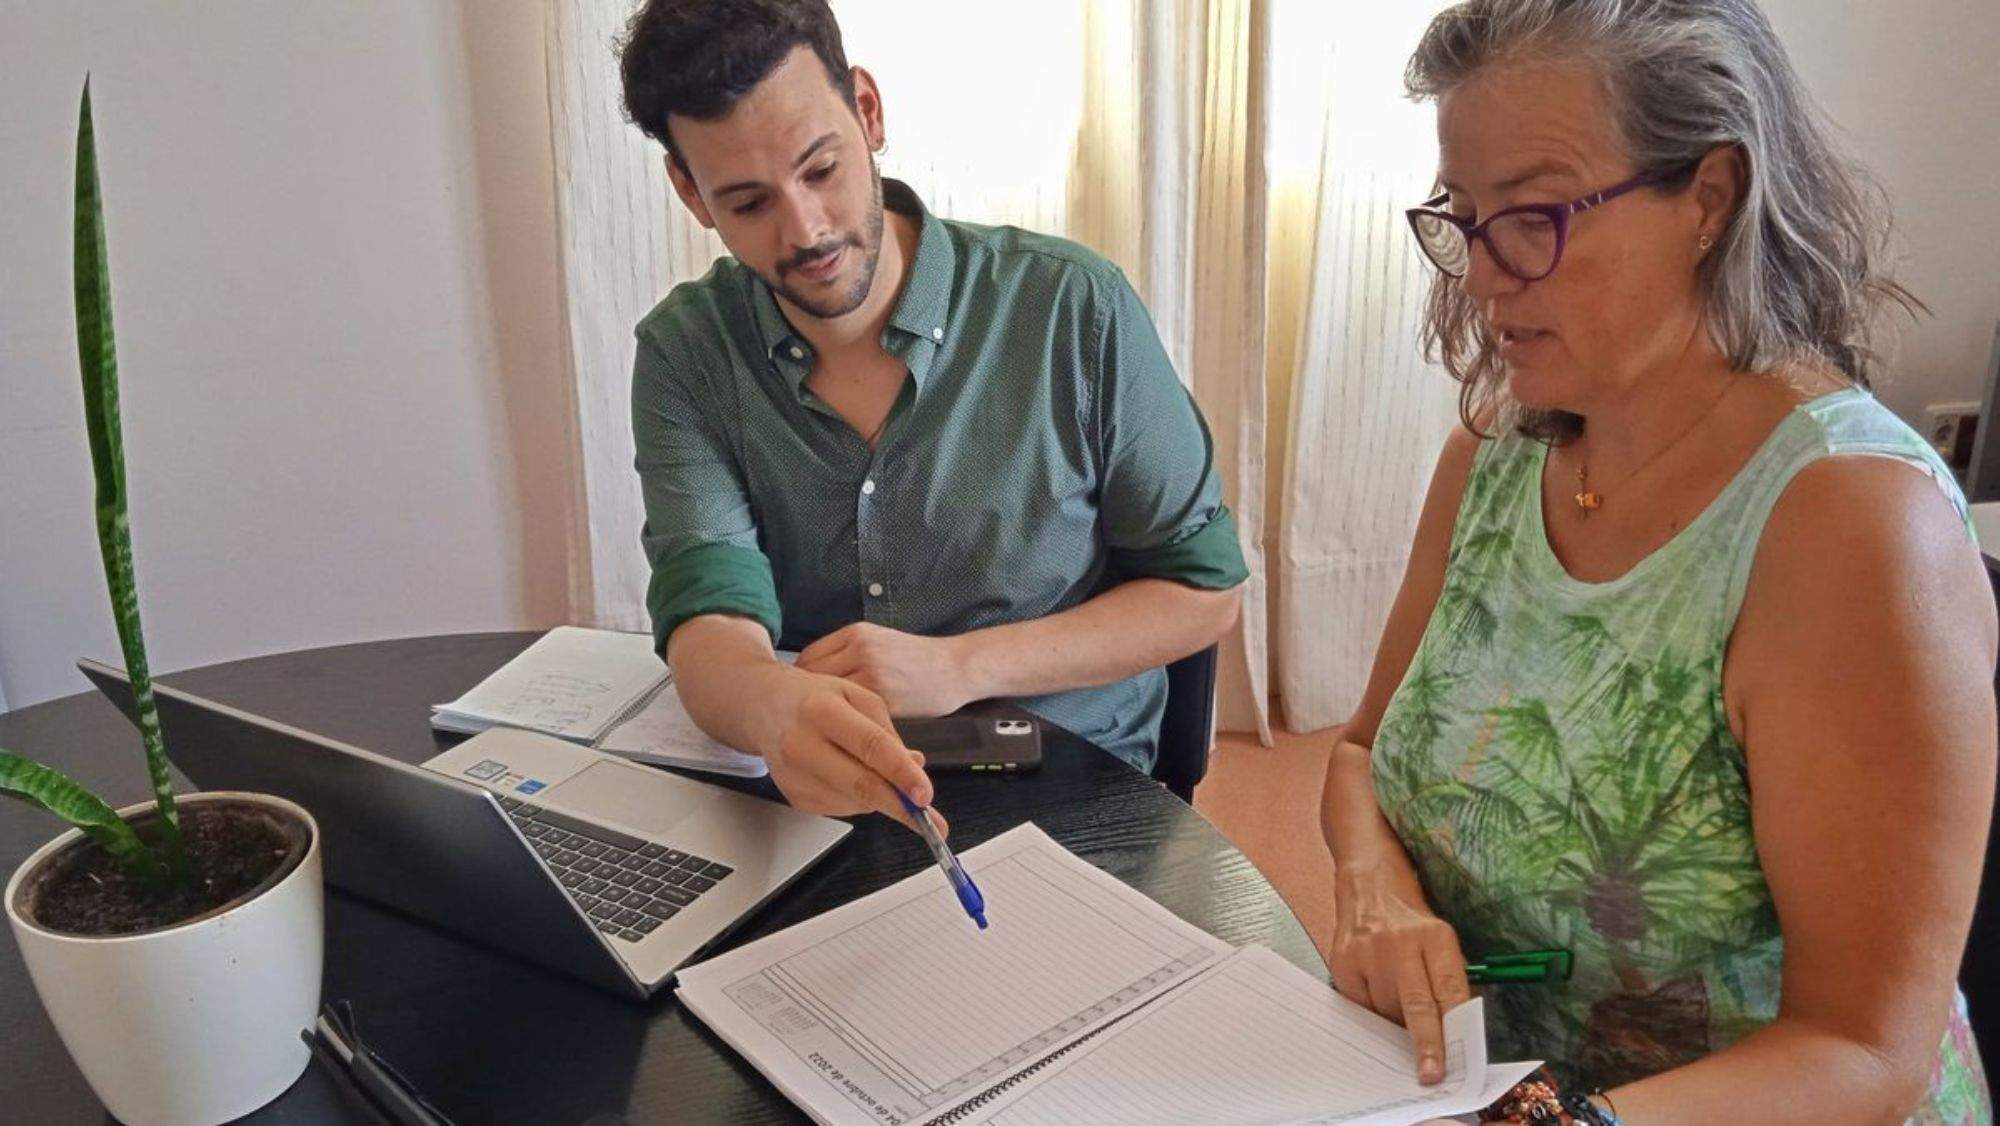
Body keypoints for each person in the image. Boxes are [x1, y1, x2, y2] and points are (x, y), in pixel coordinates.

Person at [1321, 1, 1996, 1121]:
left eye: (1531, 214)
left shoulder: (1851, 527)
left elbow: (1865, 1050)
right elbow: (1355, 754)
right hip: (1494, 1090)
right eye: (1461, 214)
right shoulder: (1493, 450)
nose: (1482, 276)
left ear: (1708, 199)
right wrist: (1374, 895)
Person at [616, 0, 1247, 834]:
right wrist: (773, 709)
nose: (805, 231)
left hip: (1065, 776)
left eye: (820, 170)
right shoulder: (685, 353)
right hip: (820, 793)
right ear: (691, 194)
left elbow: (1204, 591)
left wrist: (961, 667)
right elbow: (711, 618)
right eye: (748, 202)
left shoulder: (1071, 307)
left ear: (869, 113)